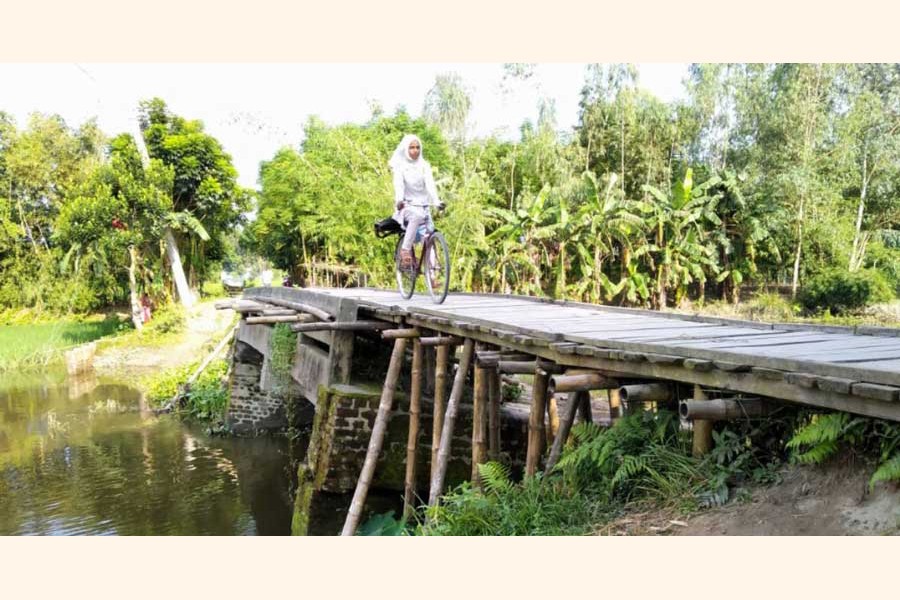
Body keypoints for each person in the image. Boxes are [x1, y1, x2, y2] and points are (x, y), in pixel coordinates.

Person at [389, 134, 443, 268]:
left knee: (430, 235)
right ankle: (405, 249)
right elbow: (399, 185)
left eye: (418, 147)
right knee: (416, 216)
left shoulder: (424, 165)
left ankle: (432, 275)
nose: (415, 150)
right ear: (406, 149)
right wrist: (399, 200)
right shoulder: (400, 166)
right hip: (407, 206)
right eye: (412, 147)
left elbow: (430, 184)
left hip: (423, 205)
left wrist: (436, 201)